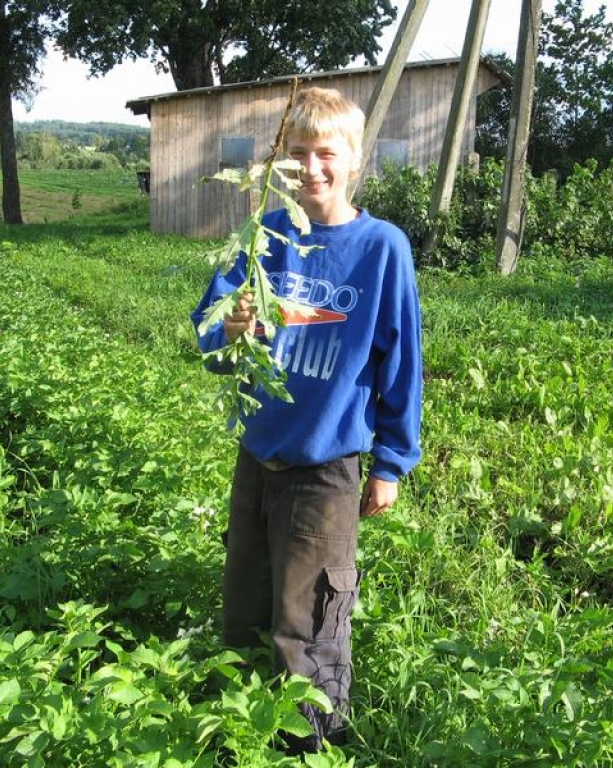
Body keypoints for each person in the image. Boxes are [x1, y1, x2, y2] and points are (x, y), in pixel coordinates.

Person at [190, 86, 423, 753]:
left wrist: (391, 462)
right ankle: (240, 732)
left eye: (327, 153)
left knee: (310, 618)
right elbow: (207, 333)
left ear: (354, 161)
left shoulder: (381, 249)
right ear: (278, 164)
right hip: (257, 456)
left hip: (325, 469)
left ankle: (312, 743)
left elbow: (400, 360)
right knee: (246, 603)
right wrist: (228, 332)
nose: (313, 167)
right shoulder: (265, 235)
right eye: (298, 154)